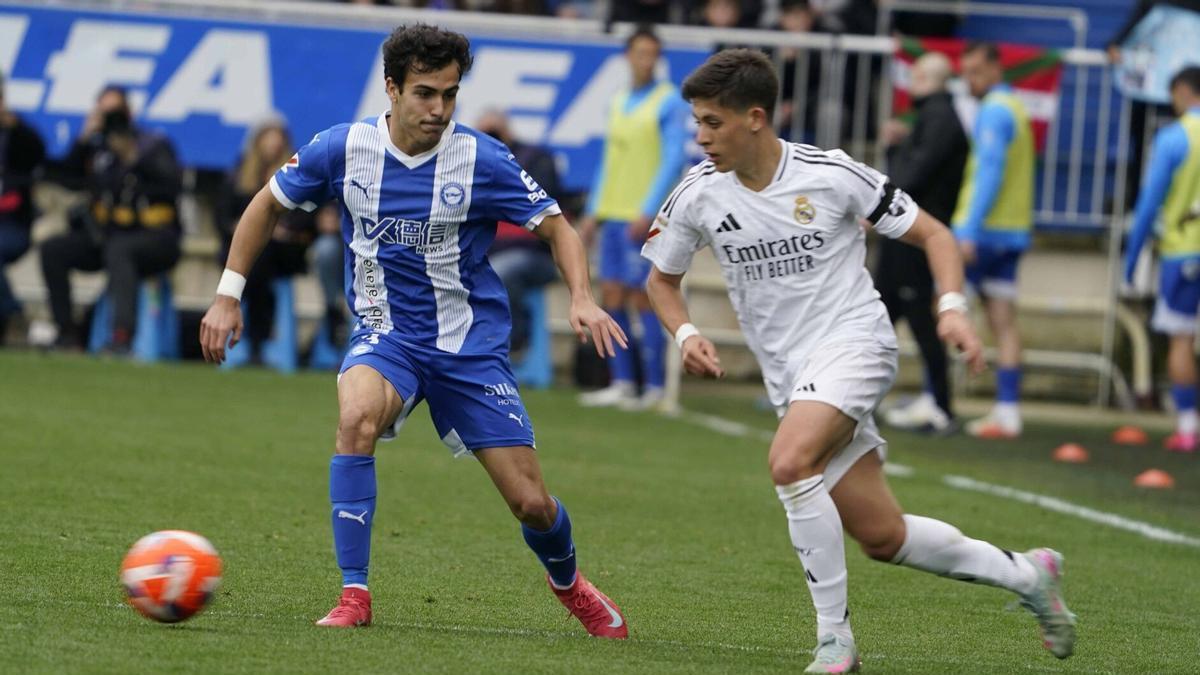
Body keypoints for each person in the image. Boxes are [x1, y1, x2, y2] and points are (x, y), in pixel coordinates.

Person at [643, 49, 1075, 673]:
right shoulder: (697, 194)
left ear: (755, 118)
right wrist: (686, 334)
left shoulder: (831, 174)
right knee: (882, 536)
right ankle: (1029, 574)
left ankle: (834, 641)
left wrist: (952, 308)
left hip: (856, 343)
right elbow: (661, 280)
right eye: (698, 123)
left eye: (713, 122)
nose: (701, 137)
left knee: (790, 463)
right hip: (793, 378)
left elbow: (936, 234)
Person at [199, 23, 630, 636]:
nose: (439, 109)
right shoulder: (343, 148)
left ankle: (570, 584)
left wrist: (582, 298)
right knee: (356, 419)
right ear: (392, 88)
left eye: (450, 95)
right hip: (387, 335)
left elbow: (557, 226)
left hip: (469, 348)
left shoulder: (481, 158)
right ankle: (354, 593)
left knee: (531, 503)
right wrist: (227, 295)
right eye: (425, 93)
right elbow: (266, 203)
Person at [578, 26, 689, 410]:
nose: (646, 60)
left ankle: (655, 386)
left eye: (652, 54)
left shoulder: (668, 101)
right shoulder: (619, 100)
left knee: (644, 299)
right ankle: (623, 382)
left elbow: (673, 158)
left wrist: (649, 208)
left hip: (641, 216)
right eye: (640, 52)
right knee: (611, 295)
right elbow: (610, 161)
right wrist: (594, 211)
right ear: (628, 56)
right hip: (613, 214)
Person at [40, 86, 182, 352]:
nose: (111, 120)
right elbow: (67, 178)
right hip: (107, 235)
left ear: (129, 113)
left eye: (115, 112)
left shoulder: (153, 144)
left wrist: (133, 158)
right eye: (104, 113)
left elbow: (172, 186)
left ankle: (121, 337)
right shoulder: (98, 149)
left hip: (154, 237)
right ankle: (66, 333)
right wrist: (83, 140)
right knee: (53, 249)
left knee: (120, 250)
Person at [876, 52, 968, 434]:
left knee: (917, 318)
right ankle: (848, 396)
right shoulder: (935, 118)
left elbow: (914, 176)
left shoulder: (939, 119)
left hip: (914, 235)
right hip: (905, 232)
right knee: (878, 314)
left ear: (927, 79)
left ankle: (942, 405)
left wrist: (893, 153)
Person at [952, 42, 1035, 440]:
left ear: (995, 68)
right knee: (1004, 322)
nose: (970, 80)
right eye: (965, 72)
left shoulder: (994, 111)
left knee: (940, 307)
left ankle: (936, 397)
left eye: (976, 72)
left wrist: (968, 229)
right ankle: (1008, 410)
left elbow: (990, 170)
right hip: (1012, 233)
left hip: (982, 233)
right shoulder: (1017, 107)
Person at [1124, 66, 1200, 454]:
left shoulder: (1175, 137)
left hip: (1184, 251)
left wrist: (1132, 255)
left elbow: (1149, 201)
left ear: (1183, 91)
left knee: (1181, 339)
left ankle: (1188, 428)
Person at [216, 117, 316, 362]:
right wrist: (240, 226)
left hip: (284, 252)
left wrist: (283, 230)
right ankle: (253, 335)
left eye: (277, 138)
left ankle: (256, 336)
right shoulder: (240, 173)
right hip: (246, 251)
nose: (273, 144)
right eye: (268, 138)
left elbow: (307, 216)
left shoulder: (295, 173)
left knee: (262, 257)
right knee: (254, 255)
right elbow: (222, 216)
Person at [476, 109, 563, 353]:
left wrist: (505, 161)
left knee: (501, 270)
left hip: (534, 255)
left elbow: (548, 209)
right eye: (484, 134)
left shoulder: (535, 159)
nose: (490, 138)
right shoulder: (470, 165)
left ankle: (517, 337)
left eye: (494, 132)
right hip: (489, 252)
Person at [0, 70, 47, 344]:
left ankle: (14, 315)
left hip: (12, 224)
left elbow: (38, 155)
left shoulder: (16, 133)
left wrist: (14, 125)